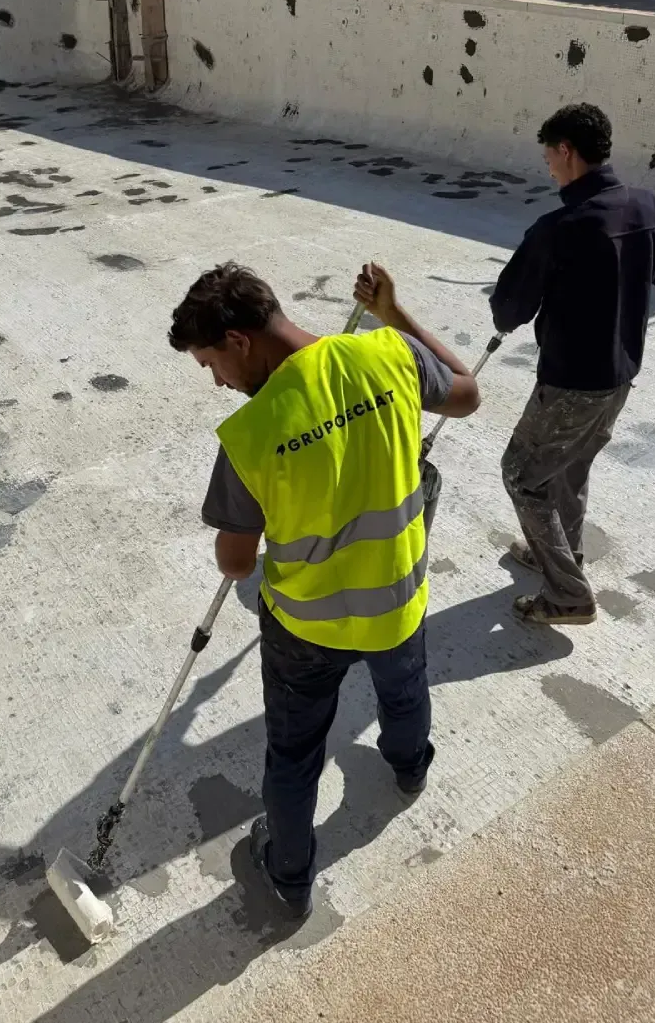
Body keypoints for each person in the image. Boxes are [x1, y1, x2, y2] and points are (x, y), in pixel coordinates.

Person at [168, 261, 480, 921]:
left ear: (238, 340)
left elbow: (234, 561)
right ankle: (409, 765)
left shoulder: (250, 435)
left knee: (294, 753)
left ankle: (289, 877)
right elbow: (466, 392)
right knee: (404, 691)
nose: (217, 382)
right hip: (397, 597)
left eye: (210, 365)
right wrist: (396, 314)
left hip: (306, 629)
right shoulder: (388, 353)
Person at [490, 103, 655, 626]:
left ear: (566, 152)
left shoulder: (558, 229)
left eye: (550, 156)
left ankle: (568, 594)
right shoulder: (650, 206)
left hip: (570, 382)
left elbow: (508, 308)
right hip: (620, 376)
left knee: (521, 474)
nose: (549, 166)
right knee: (569, 467)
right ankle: (560, 552)